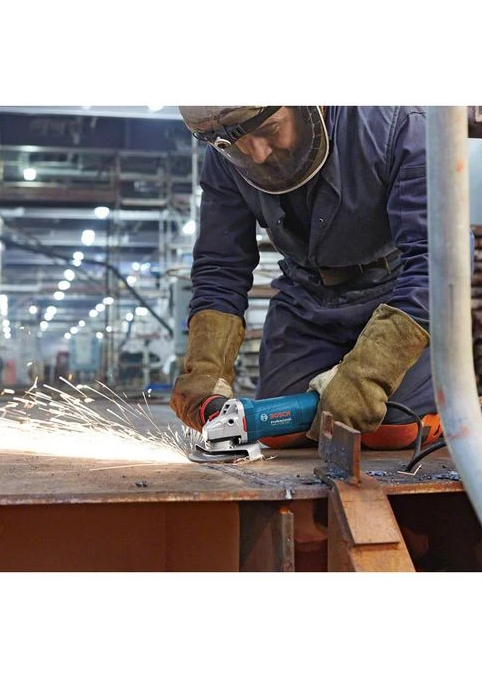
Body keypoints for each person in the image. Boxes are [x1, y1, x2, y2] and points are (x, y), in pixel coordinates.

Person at [170, 106, 442, 449]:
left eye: (269, 129)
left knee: (394, 430)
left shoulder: (398, 125)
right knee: (276, 431)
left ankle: (439, 405)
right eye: (235, 143)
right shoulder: (225, 150)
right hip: (306, 299)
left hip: (396, 294)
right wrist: (206, 367)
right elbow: (221, 266)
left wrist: (371, 373)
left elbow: (437, 259)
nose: (257, 154)